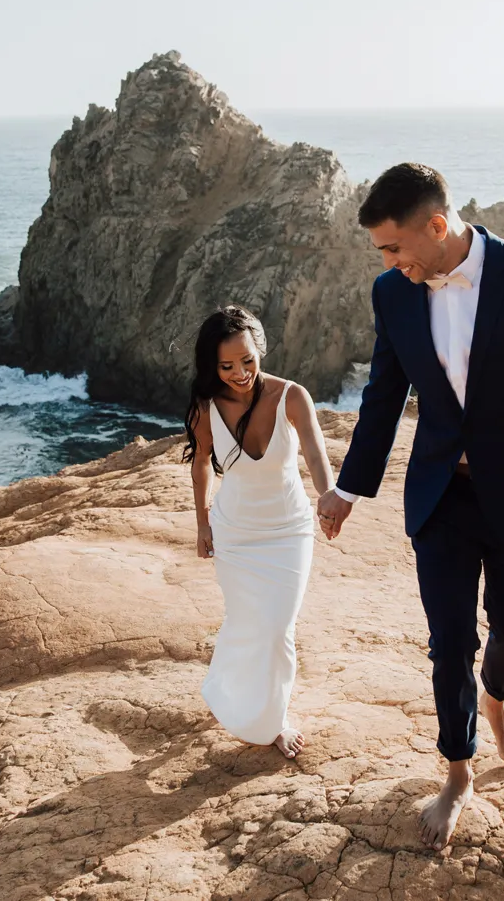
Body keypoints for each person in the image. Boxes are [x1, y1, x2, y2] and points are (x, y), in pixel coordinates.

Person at [316, 162, 504, 850]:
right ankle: (458, 770)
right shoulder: (393, 294)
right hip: (442, 494)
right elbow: (383, 398)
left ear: (435, 225)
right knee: (448, 640)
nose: (390, 263)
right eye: (382, 254)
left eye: (396, 247)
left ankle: (498, 698)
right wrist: (349, 485)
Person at [184, 305, 339, 758]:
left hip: (288, 531)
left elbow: (314, 451)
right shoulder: (206, 406)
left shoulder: (292, 395)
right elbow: (200, 463)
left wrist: (328, 495)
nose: (239, 373)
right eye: (226, 366)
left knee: (277, 628)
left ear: (260, 351)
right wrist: (202, 522)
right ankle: (226, 692)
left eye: (247, 361)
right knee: (245, 620)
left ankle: (272, 718)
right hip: (234, 530)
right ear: (212, 366)